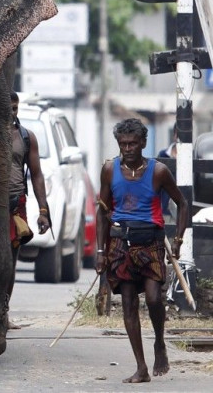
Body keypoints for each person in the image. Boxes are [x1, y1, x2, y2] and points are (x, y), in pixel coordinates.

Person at [96, 118, 188, 384]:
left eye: (133, 143)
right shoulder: (109, 170)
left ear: (144, 143)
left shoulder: (158, 171)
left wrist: (179, 239)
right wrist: (101, 252)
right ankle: (141, 367)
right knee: (127, 303)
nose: (127, 148)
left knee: (154, 298)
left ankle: (160, 341)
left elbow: (182, 203)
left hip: (150, 243)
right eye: (123, 144)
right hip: (120, 245)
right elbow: (103, 211)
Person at [7, 92, 51, 328]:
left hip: (15, 203)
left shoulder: (26, 137)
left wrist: (43, 210)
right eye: (7, 108)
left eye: (15, 108)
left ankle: (3, 312)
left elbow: (36, 174)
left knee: (10, 260)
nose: (11, 113)